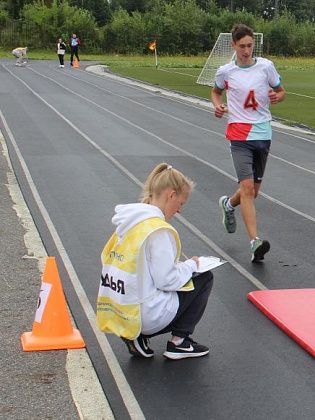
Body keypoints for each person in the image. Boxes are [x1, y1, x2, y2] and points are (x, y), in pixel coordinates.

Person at [97, 163, 213, 359]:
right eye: (181, 203)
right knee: (204, 277)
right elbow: (166, 280)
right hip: (144, 315)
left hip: (118, 310)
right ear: (171, 195)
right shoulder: (157, 230)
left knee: (172, 277)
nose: (179, 210)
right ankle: (179, 342)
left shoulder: (128, 223)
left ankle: (136, 336)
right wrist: (191, 265)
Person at [211, 23, 285, 263]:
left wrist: (277, 96)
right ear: (233, 45)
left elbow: (281, 91)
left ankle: (228, 204)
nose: (246, 50)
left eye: (250, 45)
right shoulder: (226, 71)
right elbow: (215, 92)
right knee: (247, 189)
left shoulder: (266, 67)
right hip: (239, 134)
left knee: (253, 192)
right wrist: (217, 106)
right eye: (242, 46)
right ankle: (255, 243)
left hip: (263, 134)